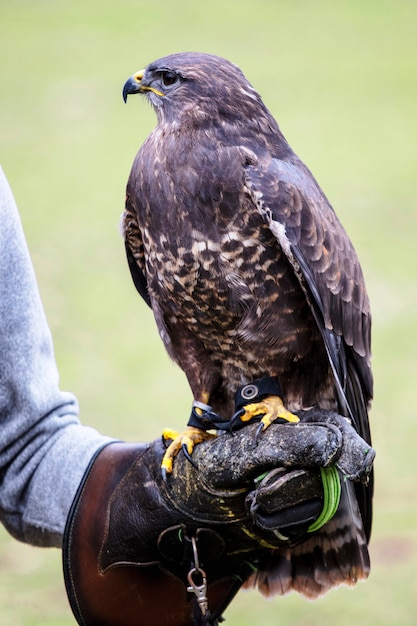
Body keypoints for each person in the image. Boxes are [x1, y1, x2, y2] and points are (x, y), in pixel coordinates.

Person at [0, 168, 374, 626]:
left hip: (299, 387)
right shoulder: (143, 196)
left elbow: (23, 447)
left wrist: (149, 501)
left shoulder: (271, 181)